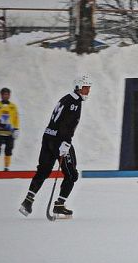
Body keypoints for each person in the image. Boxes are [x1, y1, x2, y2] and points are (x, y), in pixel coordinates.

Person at [19, 76, 92, 218]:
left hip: (48, 136)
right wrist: (65, 142)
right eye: (85, 87)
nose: (88, 91)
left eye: (89, 88)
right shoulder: (75, 102)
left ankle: (27, 201)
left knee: (43, 170)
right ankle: (59, 205)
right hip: (59, 139)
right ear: (78, 87)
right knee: (71, 174)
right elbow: (67, 124)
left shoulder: (65, 98)